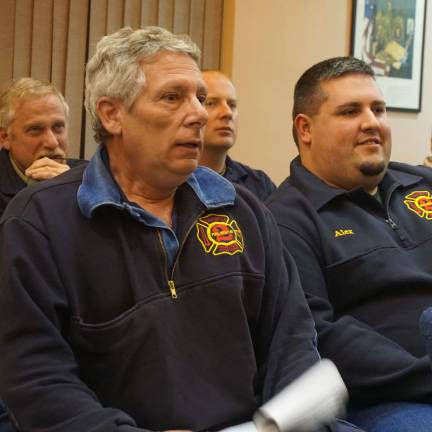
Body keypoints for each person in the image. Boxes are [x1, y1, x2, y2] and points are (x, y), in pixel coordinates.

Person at [0, 27, 349, 432]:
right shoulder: (39, 223)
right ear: (112, 114)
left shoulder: (243, 210)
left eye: (199, 97)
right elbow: (35, 378)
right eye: (172, 97)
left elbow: (291, 341)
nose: (200, 113)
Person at [267, 56, 432, 432]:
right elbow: (318, 334)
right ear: (305, 129)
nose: (371, 122)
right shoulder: (286, 219)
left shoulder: (422, 182)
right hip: (391, 397)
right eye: (350, 111)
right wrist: (424, 375)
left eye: (378, 109)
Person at [0, 78, 84, 217]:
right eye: (35, 129)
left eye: (58, 127)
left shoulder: (90, 179)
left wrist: (69, 191)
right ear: (5, 138)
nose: (52, 143)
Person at [200, 70, 276, 200]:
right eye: (211, 103)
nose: (227, 113)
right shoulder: (170, 182)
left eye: (232, 105)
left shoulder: (259, 185)